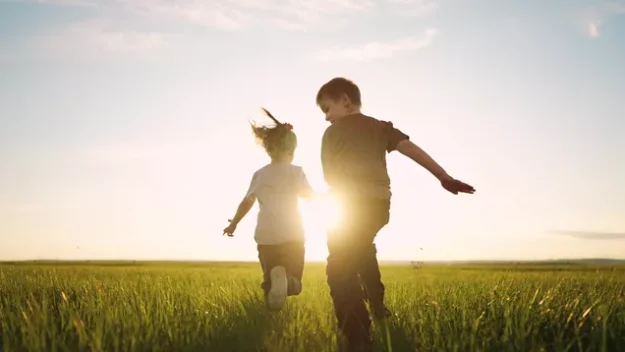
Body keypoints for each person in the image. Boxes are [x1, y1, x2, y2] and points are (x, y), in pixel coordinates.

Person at [316, 77, 476, 350]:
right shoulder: (381, 128)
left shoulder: (332, 134)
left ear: (345, 100)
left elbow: (328, 175)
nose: (327, 117)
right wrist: (443, 176)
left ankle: (357, 334)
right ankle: (378, 305)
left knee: (339, 268)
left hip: (348, 206)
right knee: (362, 248)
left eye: (327, 109)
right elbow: (410, 149)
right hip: (379, 207)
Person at [222, 108, 315, 311]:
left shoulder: (260, 175)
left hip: (266, 237)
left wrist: (234, 223)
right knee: (295, 284)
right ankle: (288, 281)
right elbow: (309, 196)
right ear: (292, 150)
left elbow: (247, 202)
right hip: (293, 235)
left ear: (268, 149)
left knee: (271, 283)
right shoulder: (296, 172)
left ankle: (270, 317)